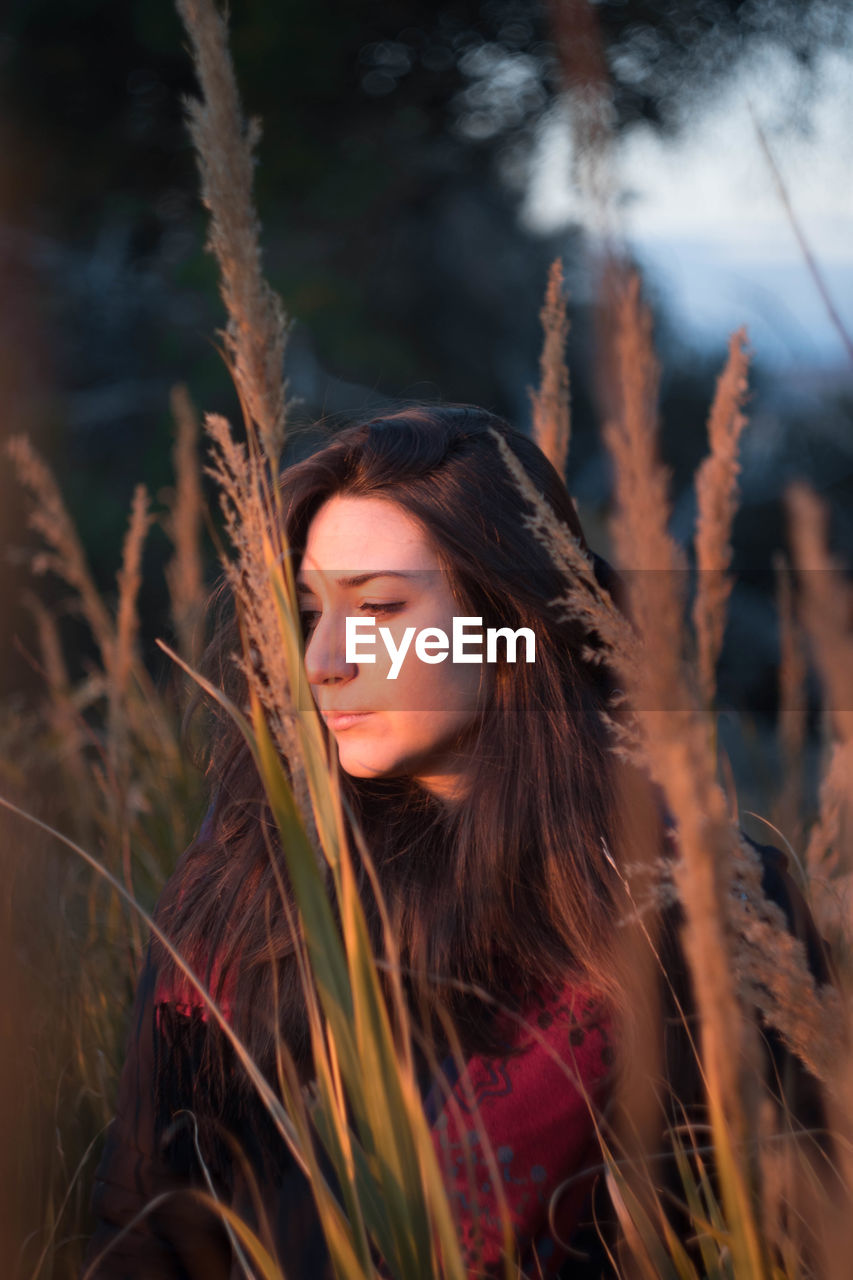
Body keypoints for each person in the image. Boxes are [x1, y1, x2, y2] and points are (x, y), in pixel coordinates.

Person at [80, 404, 830, 1279]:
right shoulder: (246, 884)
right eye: (309, 610)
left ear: (511, 622)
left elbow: (804, 1219)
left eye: (379, 608)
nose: (322, 657)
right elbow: (145, 1221)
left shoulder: (706, 897)